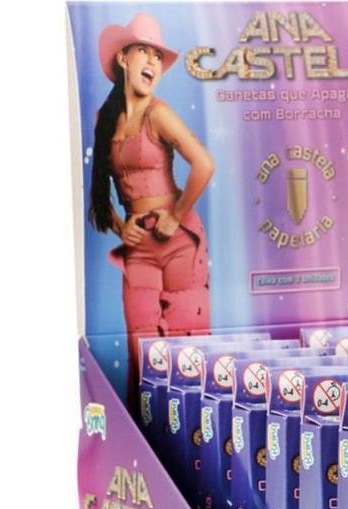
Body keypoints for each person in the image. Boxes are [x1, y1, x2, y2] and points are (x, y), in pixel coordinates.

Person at [88, 13, 214, 402]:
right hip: (140, 247)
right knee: (142, 347)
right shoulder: (104, 120)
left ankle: (194, 427)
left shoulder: (159, 113)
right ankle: (146, 430)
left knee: (186, 347)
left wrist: (175, 216)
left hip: (179, 241)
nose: (152, 62)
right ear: (122, 57)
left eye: (158, 56)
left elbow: (204, 164)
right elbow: (98, 187)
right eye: (144, 51)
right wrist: (119, 225)